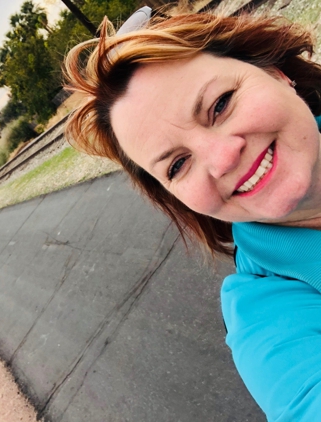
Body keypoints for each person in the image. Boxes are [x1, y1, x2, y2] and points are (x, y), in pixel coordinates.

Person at [64, 7, 321, 421]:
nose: (222, 159)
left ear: (276, 73)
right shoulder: (267, 317)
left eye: (220, 105)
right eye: (178, 165)